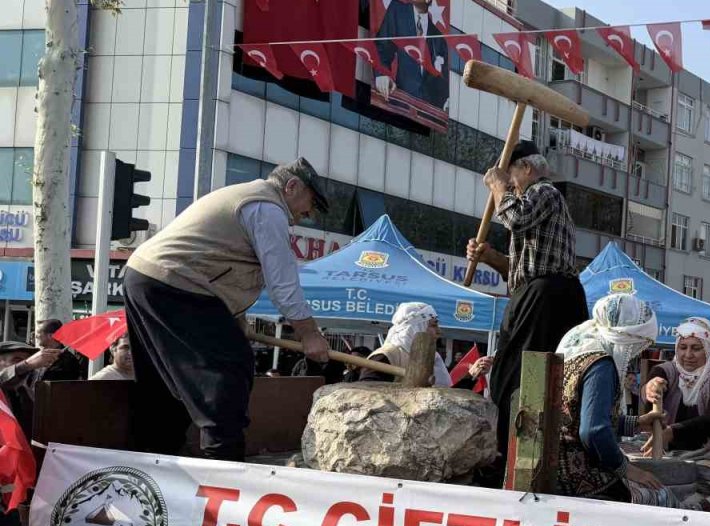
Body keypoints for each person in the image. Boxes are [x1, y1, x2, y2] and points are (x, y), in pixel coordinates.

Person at [124, 157, 331, 461]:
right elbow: (283, 282)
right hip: (176, 284)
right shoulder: (267, 208)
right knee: (230, 368)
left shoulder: (249, 201)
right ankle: (222, 460)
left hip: (149, 278)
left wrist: (235, 321)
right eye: (311, 204)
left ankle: (155, 456)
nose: (307, 214)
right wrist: (309, 333)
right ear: (292, 186)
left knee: (166, 380)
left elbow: (222, 270)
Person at [468, 141, 588, 480]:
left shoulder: (544, 193)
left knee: (523, 377)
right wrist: (489, 256)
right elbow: (521, 270)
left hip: (550, 297)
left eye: (512, 176)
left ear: (527, 169)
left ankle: (517, 456)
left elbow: (516, 219)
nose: (510, 183)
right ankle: (506, 452)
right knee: (507, 376)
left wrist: (497, 186)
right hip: (534, 293)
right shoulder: (533, 203)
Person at [553, 294, 665, 502]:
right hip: (574, 475)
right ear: (625, 337)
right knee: (659, 497)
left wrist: (637, 423)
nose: (634, 354)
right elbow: (593, 431)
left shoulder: (578, 344)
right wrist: (627, 469)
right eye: (637, 345)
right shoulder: (601, 364)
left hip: (556, 464)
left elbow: (579, 414)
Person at [642, 318, 710, 453]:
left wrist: (672, 432)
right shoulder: (666, 371)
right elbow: (651, 409)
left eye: (696, 348)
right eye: (683, 347)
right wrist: (649, 388)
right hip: (668, 450)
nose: (688, 355)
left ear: (708, 349)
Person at [360, 303, 488, 389]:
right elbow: (365, 396)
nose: (439, 331)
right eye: (433, 325)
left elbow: (445, 402)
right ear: (415, 328)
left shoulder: (433, 358)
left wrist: (472, 375)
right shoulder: (387, 356)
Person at [374, 0, 449, 110]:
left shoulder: (438, 38)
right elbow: (382, 47)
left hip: (428, 113)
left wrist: (446, 100)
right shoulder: (398, 11)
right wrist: (382, 74)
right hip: (400, 102)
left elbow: (442, 80)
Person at [0, 341, 59, 435]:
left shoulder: (26, 392)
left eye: (27, 359)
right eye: (17, 359)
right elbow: (3, 378)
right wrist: (26, 364)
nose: (28, 369)